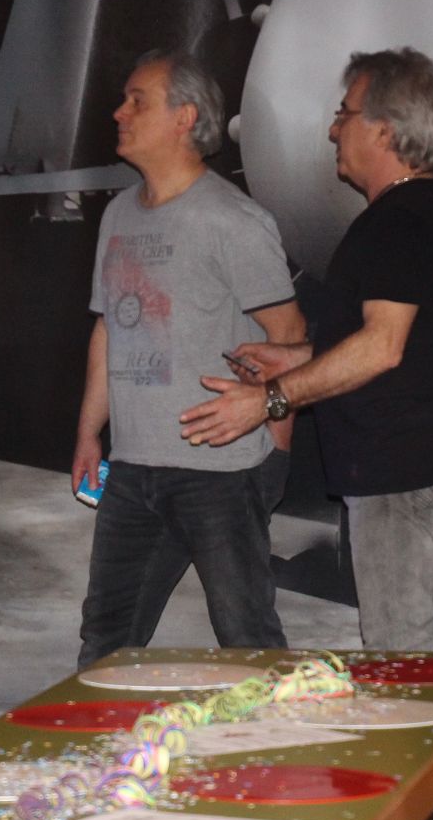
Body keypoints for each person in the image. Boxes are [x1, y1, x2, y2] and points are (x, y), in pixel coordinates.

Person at [178, 47, 433, 650]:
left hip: (400, 470)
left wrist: (270, 399)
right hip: (407, 462)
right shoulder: (418, 213)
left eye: (345, 113)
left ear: (385, 129)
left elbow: (382, 348)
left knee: (406, 658)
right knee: (416, 652)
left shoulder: (400, 220)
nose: (332, 129)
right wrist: (297, 358)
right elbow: (403, 345)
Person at [72, 50, 305, 667]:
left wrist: (275, 450)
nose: (118, 112)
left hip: (218, 471)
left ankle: (277, 733)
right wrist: (90, 433)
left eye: (137, 101)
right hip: (132, 468)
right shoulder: (117, 215)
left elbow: (290, 338)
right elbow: (108, 329)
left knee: (247, 638)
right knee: (105, 639)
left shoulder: (233, 220)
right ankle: (105, 735)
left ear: (185, 118)